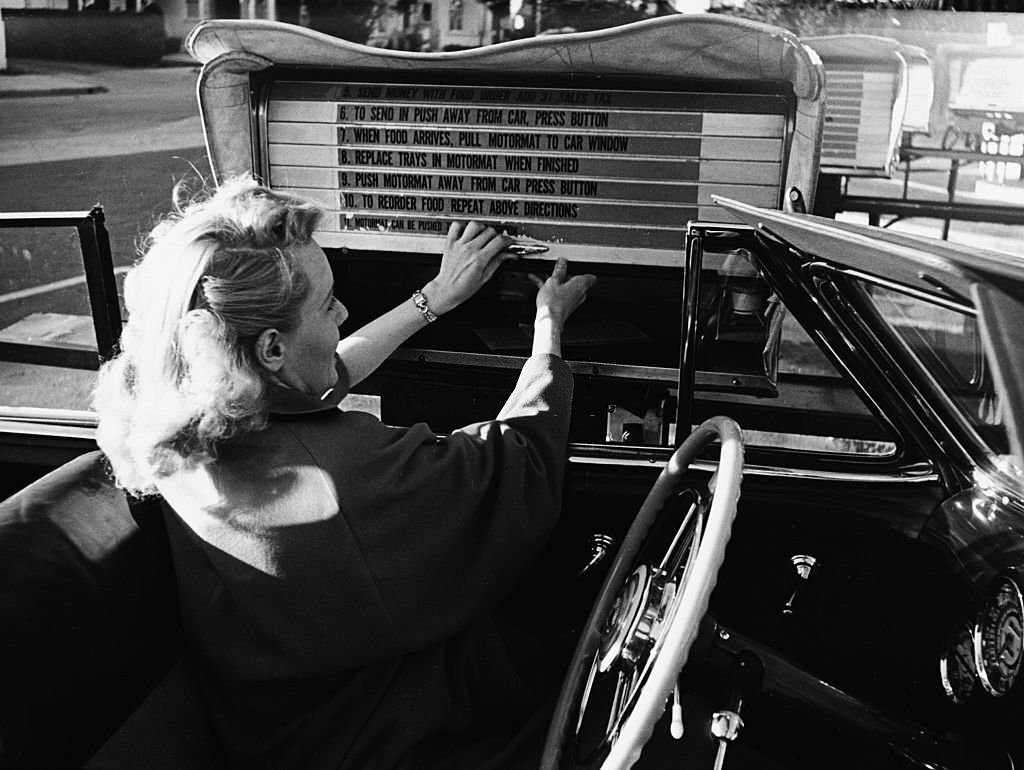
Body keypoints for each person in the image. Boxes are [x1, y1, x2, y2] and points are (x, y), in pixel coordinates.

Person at [93, 177, 595, 770]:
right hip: (393, 742)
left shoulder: (185, 420)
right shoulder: (345, 481)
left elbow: (322, 375)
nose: (344, 311)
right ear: (273, 350)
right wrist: (549, 327)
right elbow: (517, 460)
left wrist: (433, 297)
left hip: (278, 730)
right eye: (328, 303)